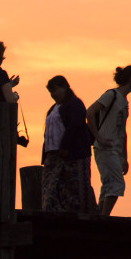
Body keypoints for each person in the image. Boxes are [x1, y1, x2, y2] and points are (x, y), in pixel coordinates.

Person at [86, 65, 131, 215]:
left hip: (114, 150)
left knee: (108, 185)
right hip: (105, 148)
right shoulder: (111, 95)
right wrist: (99, 137)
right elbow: (90, 112)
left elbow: (123, 132)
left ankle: (100, 217)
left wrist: (125, 157)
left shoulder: (123, 101)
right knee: (116, 184)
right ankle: (104, 218)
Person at [42, 75, 95, 213]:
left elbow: (75, 126)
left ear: (64, 87)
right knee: (52, 189)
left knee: (76, 190)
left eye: (55, 90)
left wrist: (65, 147)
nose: (53, 95)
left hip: (73, 155)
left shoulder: (75, 104)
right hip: (53, 155)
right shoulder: (54, 108)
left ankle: (82, 216)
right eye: (50, 92)